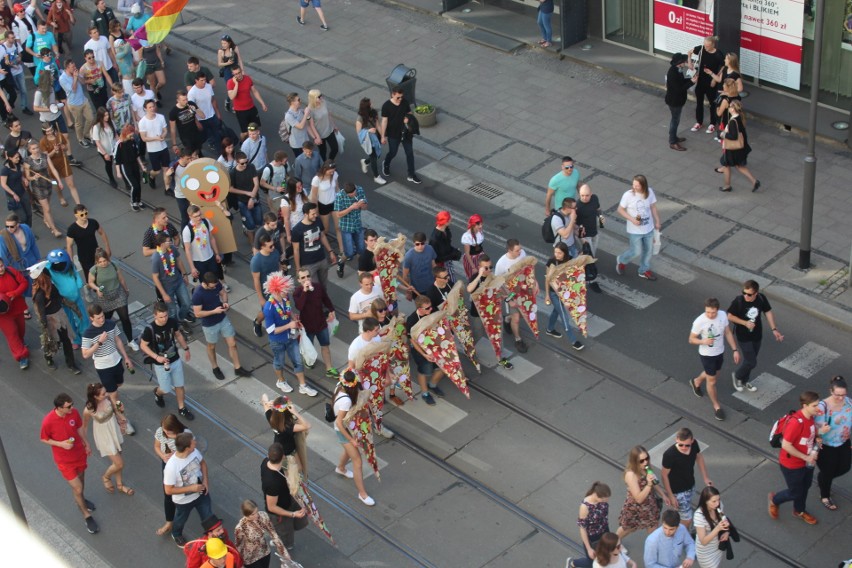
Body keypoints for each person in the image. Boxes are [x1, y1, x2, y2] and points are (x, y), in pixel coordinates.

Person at [40, 392, 100, 534]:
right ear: (59, 408)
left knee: (82, 479)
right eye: (68, 407)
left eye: (72, 405)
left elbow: (79, 428)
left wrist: (86, 443)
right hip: (64, 461)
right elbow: (43, 438)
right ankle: (86, 515)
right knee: (77, 488)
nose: (71, 408)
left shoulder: (73, 413)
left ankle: (81, 500)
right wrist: (60, 444)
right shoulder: (48, 421)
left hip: (78, 453)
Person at [769, 390, 822, 525]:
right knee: (795, 492)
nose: (818, 408)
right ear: (805, 406)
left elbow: (809, 435)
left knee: (805, 486)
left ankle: (799, 510)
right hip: (792, 465)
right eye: (815, 405)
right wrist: (806, 457)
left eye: (818, 405)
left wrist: (817, 438)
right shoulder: (796, 423)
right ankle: (775, 500)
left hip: (807, 462)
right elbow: (786, 445)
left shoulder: (811, 418)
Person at [263, 271, 318, 396]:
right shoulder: (269, 308)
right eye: (284, 290)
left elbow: (289, 310)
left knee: (298, 361)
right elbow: (271, 330)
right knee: (279, 362)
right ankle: (281, 381)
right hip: (278, 341)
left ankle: (303, 385)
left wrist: (294, 319)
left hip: (291, 336)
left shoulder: (285, 298)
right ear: (276, 290)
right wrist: (289, 325)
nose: (287, 293)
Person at [725, 280, 783, 392]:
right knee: (751, 362)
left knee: (750, 361)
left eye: (749, 294)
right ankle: (737, 376)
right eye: (744, 292)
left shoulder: (761, 298)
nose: (746, 296)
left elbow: (768, 312)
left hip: (757, 335)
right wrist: (745, 323)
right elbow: (730, 316)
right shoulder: (739, 301)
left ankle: (745, 381)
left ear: (756, 293)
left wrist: (774, 329)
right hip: (743, 336)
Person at [192, 271, 251, 380]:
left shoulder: (216, 284)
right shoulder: (198, 294)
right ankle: (215, 367)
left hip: (222, 318)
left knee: (232, 343)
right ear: (205, 283)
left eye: (215, 285)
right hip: (209, 324)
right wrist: (214, 311)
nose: (215, 287)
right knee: (211, 346)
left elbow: (223, 293)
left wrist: (225, 302)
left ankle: (237, 367)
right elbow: (197, 313)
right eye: (212, 286)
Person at [140, 301, 194, 419]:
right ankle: (158, 393)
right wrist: (156, 357)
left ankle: (182, 408)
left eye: (165, 316)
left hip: (175, 359)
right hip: (160, 364)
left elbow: (178, 334)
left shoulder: (172, 322)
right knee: (165, 389)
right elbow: (143, 345)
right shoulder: (150, 329)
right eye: (161, 317)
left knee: (179, 385)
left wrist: (186, 348)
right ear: (155, 316)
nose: (164, 319)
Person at [688, 298, 739, 420]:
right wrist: (703, 341)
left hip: (719, 352)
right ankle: (717, 407)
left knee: (714, 374)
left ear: (717, 309)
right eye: (708, 312)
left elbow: (727, 333)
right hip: (707, 355)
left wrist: (735, 350)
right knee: (712, 381)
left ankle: (696, 382)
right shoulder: (700, 321)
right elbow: (691, 339)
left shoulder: (722, 315)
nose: (710, 315)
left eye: (713, 312)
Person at [80, 304, 135, 416]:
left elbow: (118, 340)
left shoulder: (110, 324)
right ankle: (121, 416)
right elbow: (85, 354)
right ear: (92, 318)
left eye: (102, 316)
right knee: (115, 396)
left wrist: (126, 357)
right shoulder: (88, 333)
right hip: (103, 367)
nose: (102, 319)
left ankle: (108, 395)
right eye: (98, 318)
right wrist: (99, 342)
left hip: (116, 361)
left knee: (119, 383)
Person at [81, 382, 134, 496]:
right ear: (95, 396)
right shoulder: (88, 410)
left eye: (105, 392)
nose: (105, 394)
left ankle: (120, 485)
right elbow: (84, 427)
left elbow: (116, 410)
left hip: (114, 430)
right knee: (119, 463)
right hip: (104, 436)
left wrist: (122, 414)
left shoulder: (108, 398)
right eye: (102, 394)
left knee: (118, 459)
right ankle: (106, 477)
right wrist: (85, 443)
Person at [332, 371, 375, 505]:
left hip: (346, 429)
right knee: (358, 462)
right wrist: (351, 440)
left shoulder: (339, 386)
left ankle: (341, 468)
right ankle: (362, 494)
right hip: (344, 431)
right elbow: (339, 423)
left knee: (348, 451)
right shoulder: (346, 401)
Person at [164, 431, 213, 547]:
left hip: (201, 492)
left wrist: (205, 480)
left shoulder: (194, 452)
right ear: (187, 448)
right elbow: (168, 490)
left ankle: (212, 536)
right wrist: (191, 488)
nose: (195, 443)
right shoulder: (171, 467)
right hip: (183, 501)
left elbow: (203, 464)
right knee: (180, 520)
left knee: (209, 517)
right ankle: (176, 534)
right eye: (193, 443)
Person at [260, 443, 309, 551]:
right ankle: (282, 546)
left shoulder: (266, 461)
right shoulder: (273, 482)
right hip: (280, 513)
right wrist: (292, 514)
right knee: (286, 539)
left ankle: (281, 535)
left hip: (288, 499)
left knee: (300, 523)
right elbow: (271, 507)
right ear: (282, 456)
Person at [661, 427, 712, 530]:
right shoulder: (670, 454)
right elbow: (664, 475)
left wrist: (705, 477)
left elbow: (699, 457)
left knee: (683, 514)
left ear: (692, 441)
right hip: (677, 491)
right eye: (681, 444)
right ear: (676, 440)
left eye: (687, 445)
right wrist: (671, 495)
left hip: (690, 485)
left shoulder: (694, 445)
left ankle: (679, 529)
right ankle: (682, 537)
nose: (684, 447)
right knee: (687, 520)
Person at [293, 267, 338, 378]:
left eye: (308, 276)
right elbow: (299, 306)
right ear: (299, 280)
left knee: (325, 345)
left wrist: (332, 310)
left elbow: (325, 299)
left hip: (320, 322)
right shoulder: (297, 292)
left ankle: (329, 368)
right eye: (303, 277)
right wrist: (305, 291)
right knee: (309, 346)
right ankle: (309, 361)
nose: (306, 279)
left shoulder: (318, 287)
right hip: (307, 325)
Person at [614, 175, 661, 281]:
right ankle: (621, 260)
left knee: (648, 250)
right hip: (635, 231)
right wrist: (632, 219)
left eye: (637, 186)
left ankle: (643, 270)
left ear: (643, 186)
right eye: (633, 185)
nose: (634, 187)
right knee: (636, 251)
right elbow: (620, 209)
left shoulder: (649, 192)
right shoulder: (628, 195)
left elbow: (653, 207)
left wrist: (657, 221)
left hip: (648, 228)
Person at [815, 376, 851, 512]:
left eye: (843, 394)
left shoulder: (848, 402)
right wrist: (820, 431)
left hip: (844, 442)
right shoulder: (821, 407)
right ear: (831, 391)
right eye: (838, 395)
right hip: (826, 446)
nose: (841, 398)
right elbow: (812, 430)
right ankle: (825, 496)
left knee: (845, 467)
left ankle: (823, 478)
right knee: (828, 472)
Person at [87, 248, 135, 350]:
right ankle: (105, 340)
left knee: (125, 318)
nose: (103, 263)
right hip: (104, 297)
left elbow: (121, 278)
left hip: (118, 293)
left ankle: (130, 340)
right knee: (105, 320)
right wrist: (96, 289)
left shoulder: (113, 265)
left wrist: (126, 289)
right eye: (100, 262)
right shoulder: (94, 270)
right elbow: (90, 282)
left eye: (105, 261)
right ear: (96, 262)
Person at [32, 269, 79, 373]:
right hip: (50, 321)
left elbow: (59, 298)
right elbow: (41, 312)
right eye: (46, 278)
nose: (48, 279)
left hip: (60, 316)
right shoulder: (39, 295)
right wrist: (45, 328)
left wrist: (71, 305)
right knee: (54, 344)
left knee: (66, 340)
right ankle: (48, 358)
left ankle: (71, 364)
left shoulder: (52, 288)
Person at [617, 445, 668, 538]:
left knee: (653, 527)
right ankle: (614, 543)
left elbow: (654, 482)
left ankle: (653, 548)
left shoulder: (647, 467)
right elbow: (638, 499)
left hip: (650, 504)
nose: (645, 462)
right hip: (635, 508)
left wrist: (663, 495)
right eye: (641, 461)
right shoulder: (631, 474)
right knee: (628, 528)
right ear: (634, 461)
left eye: (647, 458)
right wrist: (648, 484)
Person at [153, 414, 190, 536]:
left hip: (182, 467)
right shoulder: (161, 432)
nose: (165, 433)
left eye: (168, 431)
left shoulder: (185, 435)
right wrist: (163, 456)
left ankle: (179, 518)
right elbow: (157, 446)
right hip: (167, 466)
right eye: (164, 430)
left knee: (184, 494)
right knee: (168, 495)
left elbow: (191, 452)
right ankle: (169, 522)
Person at [544, 242, 584, 350]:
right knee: (564, 316)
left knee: (556, 311)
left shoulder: (570, 260)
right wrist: (547, 295)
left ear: (565, 253)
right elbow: (547, 279)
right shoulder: (551, 262)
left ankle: (549, 329)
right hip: (554, 294)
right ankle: (573, 341)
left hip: (564, 292)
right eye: (555, 252)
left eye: (559, 253)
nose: (556, 255)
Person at [406, 296, 445, 406]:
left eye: (430, 307)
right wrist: (424, 354)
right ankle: (425, 393)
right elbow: (412, 340)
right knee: (424, 371)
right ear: (420, 309)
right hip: (421, 350)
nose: (430, 310)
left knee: (443, 367)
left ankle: (432, 385)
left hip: (435, 346)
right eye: (427, 308)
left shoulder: (433, 311)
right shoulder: (412, 320)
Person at [23, 138, 65, 238]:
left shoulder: (45, 156)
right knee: (47, 208)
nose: (36, 150)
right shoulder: (27, 161)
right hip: (38, 187)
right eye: (33, 149)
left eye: (37, 147)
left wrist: (59, 181)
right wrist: (34, 177)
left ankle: (46, 219)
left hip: (47, 183)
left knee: (47, 206)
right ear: (29, 150)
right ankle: (54, 230)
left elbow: (53, 169)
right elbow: (28, 177)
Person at [290, 202, 337, 291]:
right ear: (305, 214)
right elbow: (295, 250)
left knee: (323, 286)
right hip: (308, 264)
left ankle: (324, 301)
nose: (315, 215)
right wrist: (298, 268)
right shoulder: (297, 230)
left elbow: (322, 236)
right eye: (313, 214)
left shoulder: (318, 221)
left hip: (321, 259)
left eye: (316, 213)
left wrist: (331, 252)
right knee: (314, 288)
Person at [494, 238, 529, 354]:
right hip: (511, 293)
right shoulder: (501, 264)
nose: (520, 252)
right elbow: (498, 284)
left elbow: (527, 269)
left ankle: (507, 318)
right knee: (517, 318)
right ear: (510, 250)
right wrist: (509, 300)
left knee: (525, 313)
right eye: (517, 250)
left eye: (520, 249)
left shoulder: (523, 254)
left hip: (523, 289)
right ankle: (518, 339)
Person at [381, 86, 421, 184]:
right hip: (393, 134)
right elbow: (384, 121)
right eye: (398, 97)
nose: (400, 99)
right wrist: (382, 136)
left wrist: (408, 118)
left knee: (410, 153)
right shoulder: (386, 105)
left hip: (405, 133)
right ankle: (386, 163)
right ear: (393, 94)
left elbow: (409, 113)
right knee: (393, 152)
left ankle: (411, 174)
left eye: (401, 97)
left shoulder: (404, 102)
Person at [718, 101, 760, 193]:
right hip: (740, 148)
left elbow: (733, 136)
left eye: (729, 107)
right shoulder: (739, 117)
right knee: (739, 166)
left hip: (733, 149)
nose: (728, 108)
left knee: (726, 165)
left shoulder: (733, 121)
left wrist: (723, 134)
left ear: (733, 109)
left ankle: (727, 186)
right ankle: (754, 181)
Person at [152, 233, 194, 324]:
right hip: (167, 287)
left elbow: (178, 261)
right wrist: (164, 294)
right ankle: (176, 327)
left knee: (187, 303)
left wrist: (184, 274)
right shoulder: (156, 258)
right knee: (172, 310)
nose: (170, 242)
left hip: (178, 282)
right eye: (168, 241)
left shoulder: (172, 249)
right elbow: (155, 277)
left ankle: (180, 319)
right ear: (162, 244)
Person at [568, 482, 611, 568]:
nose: (606, 501)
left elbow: (604, 518)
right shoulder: (585, 507)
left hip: (604, 531)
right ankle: (573, 563)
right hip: (593, 538)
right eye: (603, 499)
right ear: (596, 495)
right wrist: (589, 548)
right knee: (592, 563)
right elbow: (582, 529)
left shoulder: (602, 501)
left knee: (606, 557)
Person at [235, 499, 288, 568]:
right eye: (252, 514)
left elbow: (273, 534)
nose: (256, 515)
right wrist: (240, 564)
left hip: (264, 551)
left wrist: (284, 552)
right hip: (250, 558)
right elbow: (239, 545)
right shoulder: (240, 527)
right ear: (246, 515)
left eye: (257, 511)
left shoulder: (263, 516)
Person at [688, 35, 724, 135]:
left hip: (711, 82)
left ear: (713, 45)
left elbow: (724, 66)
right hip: (700, 80)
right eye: (704, 45)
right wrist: (689, 62)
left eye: (708, 46)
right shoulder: (702, 48)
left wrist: (715, 78)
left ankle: (712, 123)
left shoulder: (718, 54)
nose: (705, 48)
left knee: (713, 104)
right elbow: (689, 52)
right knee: (699, 102)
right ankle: (699, 122)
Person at [65, 204, 110, 282]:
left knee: (101, 271)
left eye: (86, 213)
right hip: (84, 257)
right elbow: (69, 245)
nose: (84, 216)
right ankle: (90, 286)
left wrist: (107, 247)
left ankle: (101, 288)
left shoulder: (93, 222)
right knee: (90, 275)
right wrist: (70, 260)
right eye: (81, 215)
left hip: (96, 253)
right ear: (76, 215)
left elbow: (102, 232)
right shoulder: (72, 229)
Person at [40, 122, 81, 206]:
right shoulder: (43, 142)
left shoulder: (59, 135)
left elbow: (66, 148)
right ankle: (60, 197)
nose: (50, 132)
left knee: (71, 183)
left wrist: (64, 147)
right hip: (52, 166)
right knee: (56, 184)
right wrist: (54, 151)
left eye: (51, 130)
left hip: (63, 162)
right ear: (44, 132)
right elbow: (46, 156)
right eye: (47, 131)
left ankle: (78, 204)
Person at [0, 258, 29, 369]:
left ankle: (21, 343)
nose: (1, 269)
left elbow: (24, 282)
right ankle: (21, 356)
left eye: (1, 266)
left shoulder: (12, 271)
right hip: (3, 315)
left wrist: (15, 293)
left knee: (21, 330)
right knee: (12, 334)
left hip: (17, 307)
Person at [693, 486, 730, 568]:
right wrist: (717, 529)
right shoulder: (699, 516)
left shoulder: (719, 506)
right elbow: (703, 541)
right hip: (706, 553)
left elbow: (724, 520)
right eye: (714, 501)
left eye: (718, 499)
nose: (717, 503)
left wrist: (726, 532)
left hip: (717, 547)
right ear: (705, 501)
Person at [230, 150, 262, 246]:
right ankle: (253, 246)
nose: (245, 165)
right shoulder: (233, 173)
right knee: (250, 225)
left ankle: (259, 241)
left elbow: (256, 183)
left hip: (254, 199)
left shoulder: (251, 167)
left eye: (246, 162)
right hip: (242, 201)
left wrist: (252, 198)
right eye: (242, 163)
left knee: (259, 222)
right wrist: (247, 193)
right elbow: (230, 189)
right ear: (236, 162)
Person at [309, 160, 341, 253]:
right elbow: (314, 196)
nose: (332, 172)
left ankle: (342, 248)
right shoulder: (317, 179)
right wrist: (316, 210)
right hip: (323, 205)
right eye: (330, 171)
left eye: (333, 170)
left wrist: (341, 200)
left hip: (334, 203)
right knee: (325, 229)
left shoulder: (334, 175)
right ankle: (319, 244)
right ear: (325, 169)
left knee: (338, 227)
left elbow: (337, 188)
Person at [138, 98, 169, 190]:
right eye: (150, 107)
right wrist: (155, 138)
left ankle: (167, 188)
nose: (152, 108)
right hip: (153, 150)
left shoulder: (161, 117)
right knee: (157, 171)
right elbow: (144, 138)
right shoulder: (142, 122)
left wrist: (163, 135)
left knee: (166, 169)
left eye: (153, 106)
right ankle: (151, 176)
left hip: (163, 147)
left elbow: (165, 130)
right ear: (145, 109)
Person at [227, 66, 267, 138]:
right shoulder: (230, 82)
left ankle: (254, 141)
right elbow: (232, 97)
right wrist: (236, 84)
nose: (238, 75)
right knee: (245, 133)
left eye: (239, 73)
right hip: (240, 111)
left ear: (241, 71)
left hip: (251, 108)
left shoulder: (247, 78)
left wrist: (262, 103)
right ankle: (243, 144)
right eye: (235, 74)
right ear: (232, 74)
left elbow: (254, 91)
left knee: (254, 128)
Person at [334, 182, 367, 265]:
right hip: (346, 226)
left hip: (357, 224)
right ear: (346, 193)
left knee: (362, 250)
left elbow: (366, 207)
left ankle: (361, 269)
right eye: (350, 194)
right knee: (349, 253)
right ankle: (341, 263)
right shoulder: (339, 196)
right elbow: (338, 214)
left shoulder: (360, 190)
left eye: (354, 192)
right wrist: (351, 208)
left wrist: (361, 205)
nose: (353, 195)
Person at [115, 124, 146, 210]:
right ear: (125, 133)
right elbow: (117, 160)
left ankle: (139, 201)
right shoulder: (120, 144)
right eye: (130, 134)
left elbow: (137, 155)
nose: (132, 136)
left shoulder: (132, 142)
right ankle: (133, 202)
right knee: (134, 185)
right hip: (126, 167)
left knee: (138, 185)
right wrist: (118, 172)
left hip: (134, 165)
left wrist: (142, 166)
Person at [355, 97, 386, 185]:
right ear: (366, 107)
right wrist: (368, 131)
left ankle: (365, 162)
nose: (372, 105)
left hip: (376, 138)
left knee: (377, 155)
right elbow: (359, 133)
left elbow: (378, 125)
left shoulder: (373, 112)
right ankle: (376, 176)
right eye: (370, 104)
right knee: (374, 157)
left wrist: (383, 136)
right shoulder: (360, 119)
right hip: (368, 140)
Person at [665, 52, 691, 151]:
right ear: (679, 63)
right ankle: (672, 142)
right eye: (684, 61)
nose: (685, 63)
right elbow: (680, 89)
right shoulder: (673, 73)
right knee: (675, 121)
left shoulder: (677, 69)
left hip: (677, 100)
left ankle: (674, 137)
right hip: (674, 101)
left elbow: (682, 81)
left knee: (675, 120)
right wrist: (691, 82)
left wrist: (690, 80)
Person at [188, 72, 221, 152]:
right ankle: (211, 143)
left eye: (205, 80)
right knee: (208, 135)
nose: (204, 82)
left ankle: (220, 150)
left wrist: (217, 112)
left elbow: (213, 99)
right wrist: (196, 122)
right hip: (201, 119)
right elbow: (191, 109)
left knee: (217, 134)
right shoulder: (192, 93)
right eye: (202, 80)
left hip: (212, 115)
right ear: (196, 80)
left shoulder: (208, 86)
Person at [401, 231, 436, 298]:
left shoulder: (430, 249)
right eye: (417, 244)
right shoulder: (409, 256)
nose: (420, 246)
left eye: (422, 243)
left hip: (432, 286)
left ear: (425, 241)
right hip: (417, 290)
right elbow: (405, 276)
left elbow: (434, 265)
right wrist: (408, 292)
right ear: (414, 243)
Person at [1, 152, 32, 227]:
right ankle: (22, 231)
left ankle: (28, 231)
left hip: (22, 192)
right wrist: (13, 194)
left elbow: (19, 175)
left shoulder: (17, 165)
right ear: (10, 158)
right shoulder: (5, 170)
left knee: (29, 214)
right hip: (13, 197)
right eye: (16, 157)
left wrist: (24, 179)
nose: (18, 159)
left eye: (19, 157)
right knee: (22, 217)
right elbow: (3, 184)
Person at [169, 90, 203, 157]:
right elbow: (172, 129)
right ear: (178, 100)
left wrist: (195, 110)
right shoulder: (173, 112)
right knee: (192, 153)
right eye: (183, 100)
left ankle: (200, 160)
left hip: (195, 132)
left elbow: (203, 115)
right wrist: (174, 144)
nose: (186, 101)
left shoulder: (191, 104)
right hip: (185, 137)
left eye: (186, 99)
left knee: (198, 149)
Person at [91, 106, 119, 188]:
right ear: (100, 116)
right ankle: (111, 179)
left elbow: (116, 134)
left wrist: (120, 142)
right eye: (105, 116)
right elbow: (97, 142)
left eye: (107, 115)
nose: (107, 117)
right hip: (105, 150)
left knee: (119, 162)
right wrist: (105, 153)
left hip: (114, 147)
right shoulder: (97, 127)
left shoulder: (111, 122)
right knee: (108, 164)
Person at [429, 210, 459, 285]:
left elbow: (447, 246)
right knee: (449, 283)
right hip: (441, 266)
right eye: (449, 219)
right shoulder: (435, 239)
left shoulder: (445, 230)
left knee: (452, 282)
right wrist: (453, 254)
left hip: (447, 261)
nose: (450, 220)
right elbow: (434, 258)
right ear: (444, 222)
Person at [307, 88, 337, 161]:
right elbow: (311, 125)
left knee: (335, 148)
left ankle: (330, 161)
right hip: (320, 134)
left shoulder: (323, 102)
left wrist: (334, 125)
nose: (321, 97)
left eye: (321, 95)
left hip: (329, 130)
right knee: (323, 152)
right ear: (313, 98)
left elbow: (328, 114)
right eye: (319, 96)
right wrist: (317, 137)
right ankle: (324, 166)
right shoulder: (310, 109)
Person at [284, 92, 314, 158]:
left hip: (305, 141)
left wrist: (314, 137)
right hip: (297, 144)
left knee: (308, 158)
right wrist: (306, 114)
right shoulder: (289, 116)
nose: (300, 101)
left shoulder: (300, 111)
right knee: (301, 160)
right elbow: (300, 126)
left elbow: (306, 125)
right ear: (292, 102)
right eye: (298, 100)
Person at [460, 213, 484, 281]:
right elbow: (467, 253)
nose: (481, 226)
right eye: (478, 224)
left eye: (481, 224)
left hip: (480, 257)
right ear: (473, 225)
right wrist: (473, 267)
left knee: (483, 276)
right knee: (474, 279)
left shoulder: (479, 232)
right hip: (472, 259)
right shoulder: (467, 236)